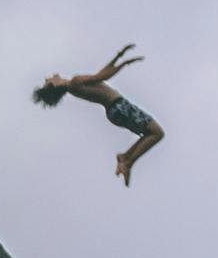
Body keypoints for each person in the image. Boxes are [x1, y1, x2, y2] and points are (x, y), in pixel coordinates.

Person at [33, 44, 166, 184]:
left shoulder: (73, 86)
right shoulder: (74, 82)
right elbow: (103, 76)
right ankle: (126, 160)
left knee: (151, 133)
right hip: (119, 106)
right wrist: (124, 63)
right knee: (157, 133)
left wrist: (119, 55)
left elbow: (100, 75)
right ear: (52, 86)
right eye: (46, 81)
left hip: (115, 111)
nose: (47, 77)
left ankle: (126, 158)